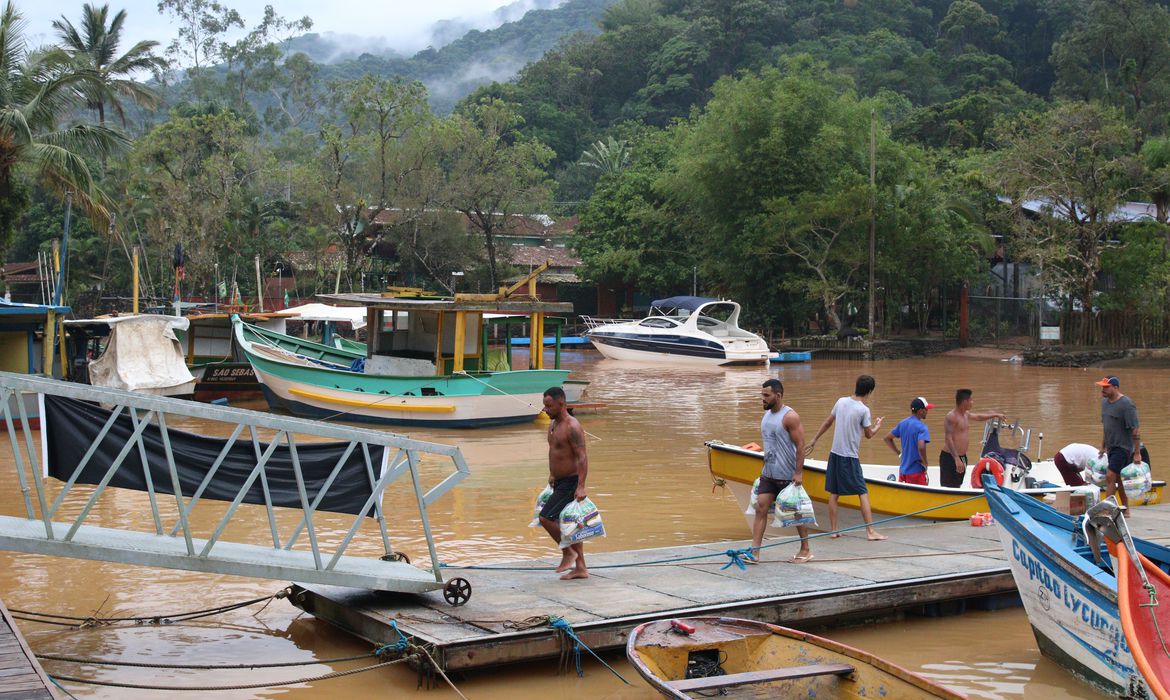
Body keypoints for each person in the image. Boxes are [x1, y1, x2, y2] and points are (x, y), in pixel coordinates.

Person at [807, 374, 886, 540]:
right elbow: (869, 435)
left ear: (856, 386)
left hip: (834, 454)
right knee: (862, 492)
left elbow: (828, 422)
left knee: (834, 493)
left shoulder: (841, 401)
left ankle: (834, 530)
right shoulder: (864, 410)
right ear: (869, 391)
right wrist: (878, 426)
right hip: (849, 457)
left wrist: (814, 439)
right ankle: (870, 532)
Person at [749, 378, 811, 563]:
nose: (763, 399)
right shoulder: (766, 415)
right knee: (761, 508)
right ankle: (754, 553)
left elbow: (801, 445)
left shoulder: (790, 417)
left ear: (778, 395)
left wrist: (798, 473)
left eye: (766, 396)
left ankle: (805, 549)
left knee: (794, 512)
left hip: (787, 474)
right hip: (768, 473)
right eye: (762, 395)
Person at [537, 386, 590, 580]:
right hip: (558, 481)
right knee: (571, 525)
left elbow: (582, 457)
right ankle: (581, 568)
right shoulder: (553, 424)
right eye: (545, 406)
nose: (546, 410)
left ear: (561, 404)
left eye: (549, 406)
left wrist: (581, 485)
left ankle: (568, 552)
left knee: (546, 517)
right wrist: (552, 474)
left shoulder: (572, 426)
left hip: (571, 482)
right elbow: (555, 452)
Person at [940, 389, 1009, 488]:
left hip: (962, 457)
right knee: (948, 485)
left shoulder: (966, 414)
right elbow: (948, 438)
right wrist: (956, 459)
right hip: (950, 457)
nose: (973, 402)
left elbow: (978, 417)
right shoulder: (951, 417)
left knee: (958, 483)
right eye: (971, 400)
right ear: (965, 401)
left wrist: (995, 415)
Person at [1097, 376, 1141, 508]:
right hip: (1111, 447)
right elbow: (1106, 426)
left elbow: (1135, 429)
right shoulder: (1104, 403)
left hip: (1123, 447)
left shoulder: (1127, 404)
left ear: (1115, 387)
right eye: (1102, 387)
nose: (1103, 390)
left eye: (1106, 387)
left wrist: (1137, 453)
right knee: (1119, 480)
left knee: (1110, 476)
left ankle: (1105, 508)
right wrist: (1103, 446)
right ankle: (1125, 508)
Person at [885, 397, 932, 485]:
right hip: (916, 473)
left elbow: (887, 438)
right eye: (926, 409)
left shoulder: (902, 423)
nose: (927, 411)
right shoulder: (922, 427)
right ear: (920, 411)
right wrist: (925, 462)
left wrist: (899, 453)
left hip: (903, 471)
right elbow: (921, 446)